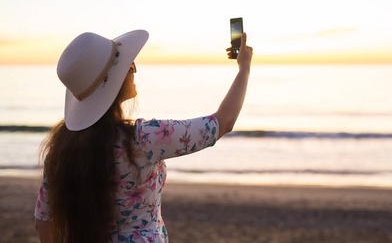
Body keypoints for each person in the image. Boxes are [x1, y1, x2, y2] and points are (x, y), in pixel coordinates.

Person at [33, 29, 252, 243]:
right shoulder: (142, 139)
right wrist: (244, 68)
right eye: (130, 66)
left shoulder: (61, 149)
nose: (133, 71)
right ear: (115, 83)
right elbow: (222, 123)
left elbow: (43, 222)